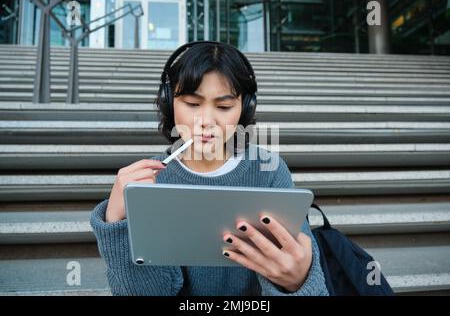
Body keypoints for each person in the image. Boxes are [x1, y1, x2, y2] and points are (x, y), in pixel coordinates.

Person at [90, 41, 328, 296]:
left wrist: (297, 282)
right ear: (170, 102)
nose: (206, 122)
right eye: (192, 103)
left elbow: (304, 274)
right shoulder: (148, 182)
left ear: (244, 109)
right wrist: (116, 226)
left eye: (224, 107)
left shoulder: (269, 171)